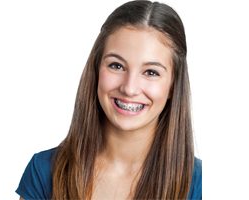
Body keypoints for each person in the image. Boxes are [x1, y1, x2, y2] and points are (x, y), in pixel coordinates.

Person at [16, 0, 202, 199]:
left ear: (174, 85)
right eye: (116, 66)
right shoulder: (44, 171)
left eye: (151, 72)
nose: (129, 88)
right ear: (96, 70)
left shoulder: (200, 184)